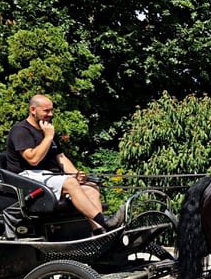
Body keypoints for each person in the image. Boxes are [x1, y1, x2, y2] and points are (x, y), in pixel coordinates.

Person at [6, 94, 124, 234]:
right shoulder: (21, 131)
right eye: (46, 111)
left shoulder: (47, 130)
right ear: (33, 109)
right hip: (25, 178)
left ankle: (99, 232)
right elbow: (33, 159)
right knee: (70, 183)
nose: (50, 114)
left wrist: (76, 174)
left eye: (51, 110)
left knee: (90, 188)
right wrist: (48, 137)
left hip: (46, 177)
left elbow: (60, 157)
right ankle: (105, 221)